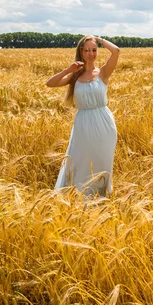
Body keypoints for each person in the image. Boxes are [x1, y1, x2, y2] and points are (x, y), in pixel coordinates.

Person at [46, 35, 120, 197]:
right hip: (83, 124)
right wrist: (68, 70)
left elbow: (116, 51)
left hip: (104, 124)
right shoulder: (75, 76)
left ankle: (101, 197)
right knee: (80, 161)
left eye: (94, 50)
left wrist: (99, 39)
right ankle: (80, 196)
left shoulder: (103, 73)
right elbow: (50, 83)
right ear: (81, 51)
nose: (90, 54)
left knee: (102, 162)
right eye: (86, 50)